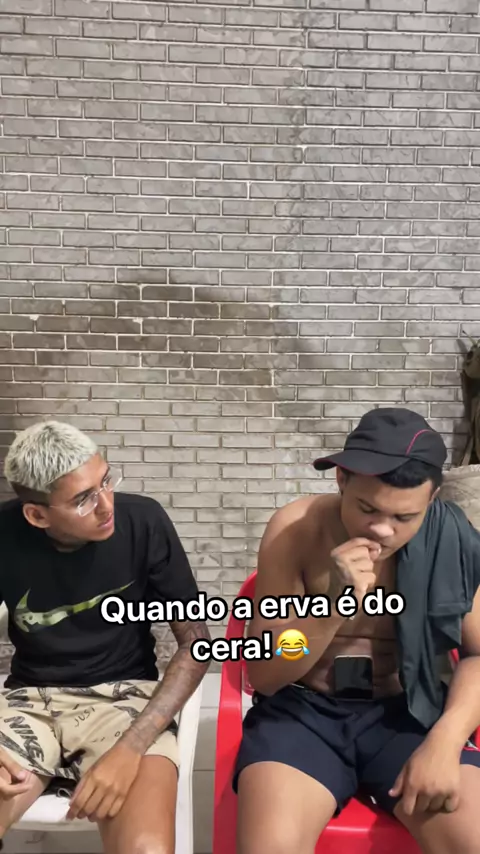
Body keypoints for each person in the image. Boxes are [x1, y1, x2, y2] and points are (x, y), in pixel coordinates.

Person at [234, 407, 480, 854]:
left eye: (405, 517)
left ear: (431, 499)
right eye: (367, 509)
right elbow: (265, 674)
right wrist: (333, 604)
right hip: (304, 712)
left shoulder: (451, 537)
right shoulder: (297, 530)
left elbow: (478, 655)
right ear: (341, 480)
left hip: (408, 711)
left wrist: (444, 741)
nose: (382, 530)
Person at [0, 420, 210, 854]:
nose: (106, 505)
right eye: (83, 499)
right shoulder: (3, 532)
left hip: (125, 700)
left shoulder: (144, 520)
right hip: (29, 701)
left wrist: (132, 746)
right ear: (37, 515)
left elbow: (196, 642)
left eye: (106, 481)